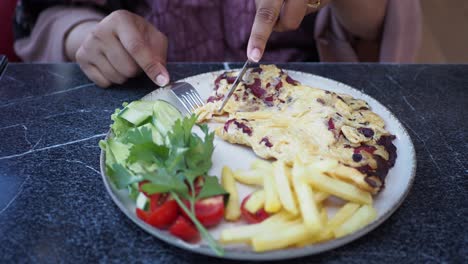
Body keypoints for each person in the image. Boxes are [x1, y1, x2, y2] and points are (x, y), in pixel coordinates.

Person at [13, 0, 421, 88]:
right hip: (147, 94)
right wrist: (89, 35)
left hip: (309, 97)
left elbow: (375, 25)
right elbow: (49, 11)